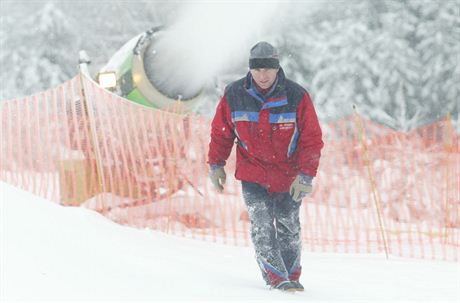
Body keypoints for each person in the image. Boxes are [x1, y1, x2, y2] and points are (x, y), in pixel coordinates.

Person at [207, 41, 324, 292]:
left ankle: (292, 275)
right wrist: (216, 164)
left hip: (288, 174)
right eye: (257, 69)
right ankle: (276, 277)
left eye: (268, 69)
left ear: (277, 67)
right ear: (250, 69)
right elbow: (221, 133)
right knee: (261, 223)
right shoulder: (234, 94)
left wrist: (305, 176)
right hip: (253, 173)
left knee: (287, 223)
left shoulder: (296, 96)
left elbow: (311, 139)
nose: (263, 75)